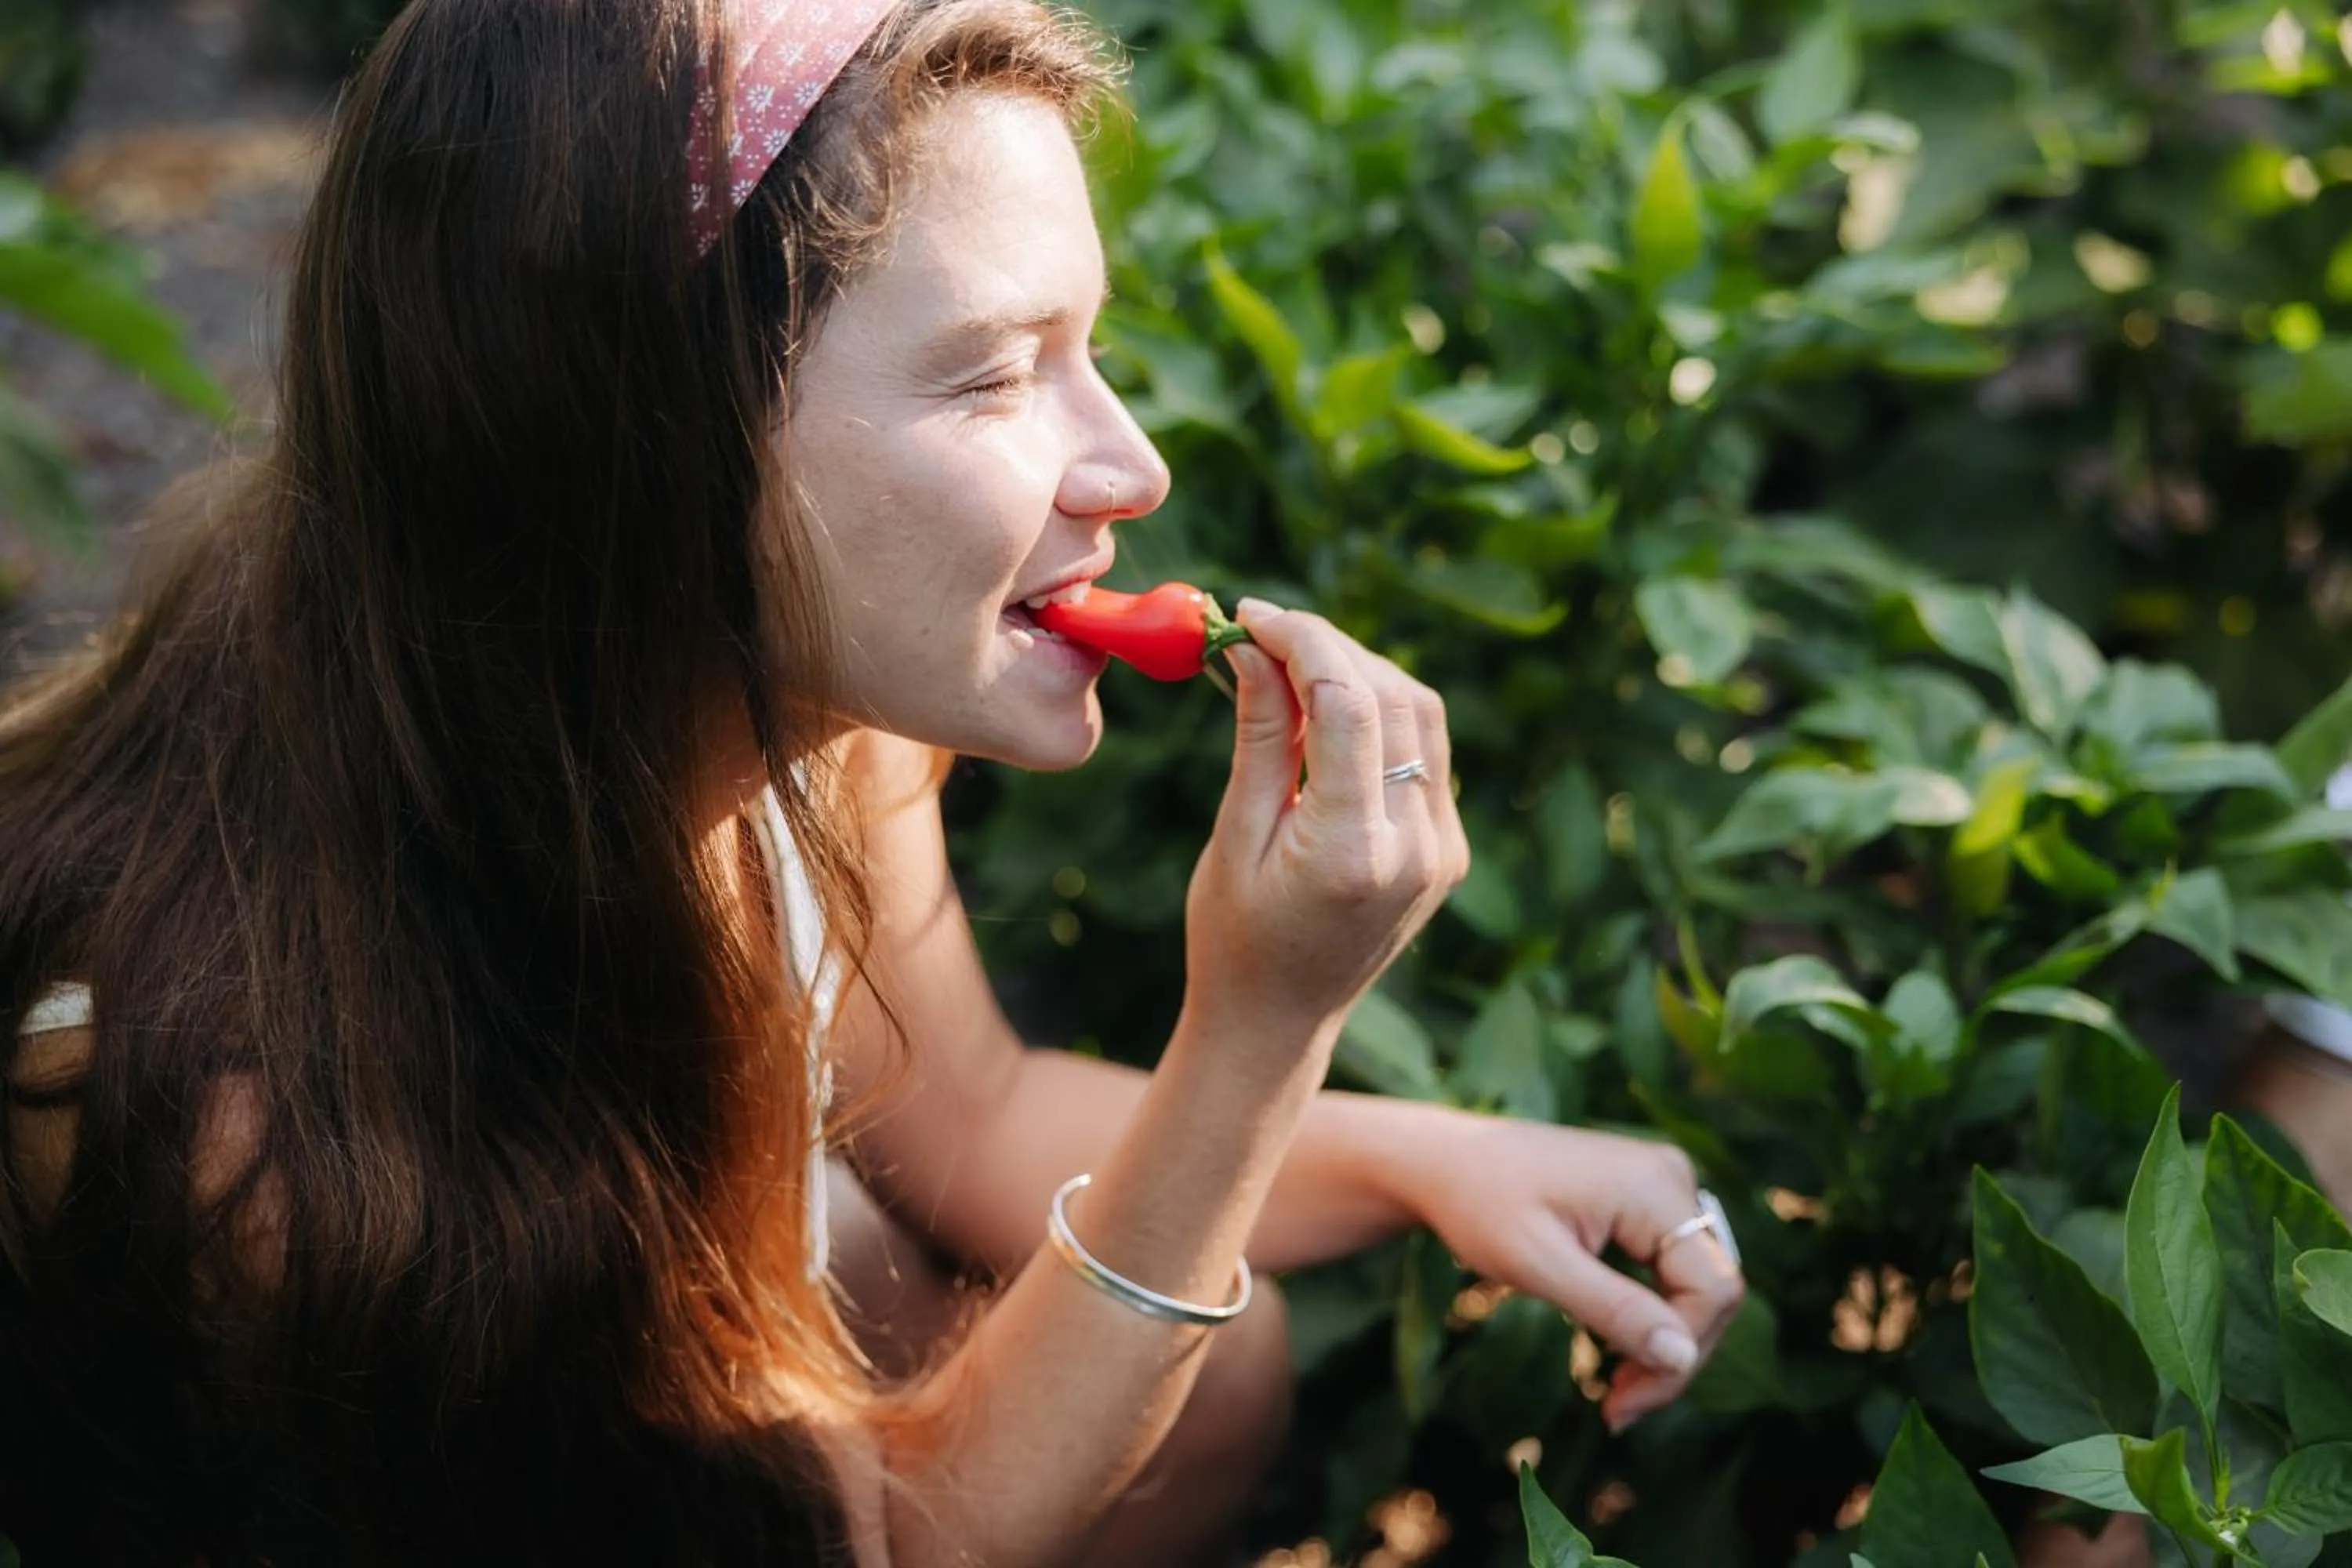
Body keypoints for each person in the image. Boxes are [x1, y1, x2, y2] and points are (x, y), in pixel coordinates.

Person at [0, 1, 1745, 1562]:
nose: (1127, 464)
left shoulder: (786, 696)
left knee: (1219, 1381)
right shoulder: (269, 1130)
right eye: (993, 375)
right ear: (638, 437)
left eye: (1089, 348)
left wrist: (1449, 1156)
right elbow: (911, 1539)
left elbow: (966, 1111)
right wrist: (1260, 1029)